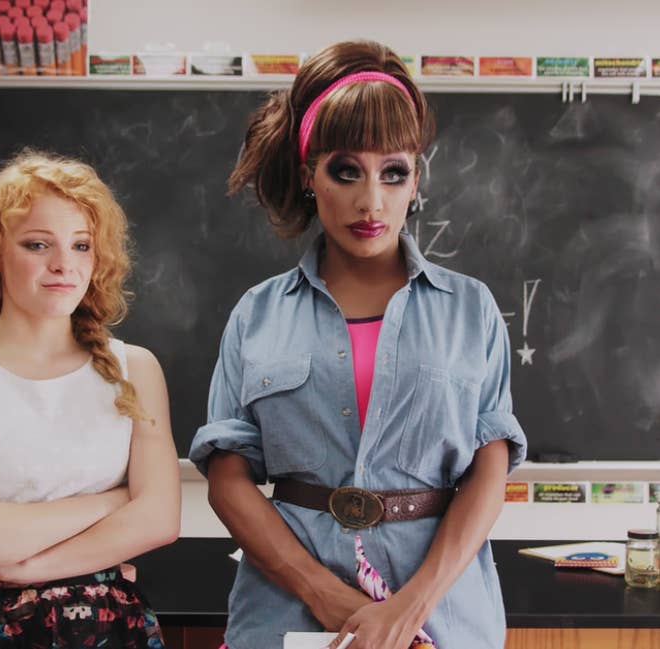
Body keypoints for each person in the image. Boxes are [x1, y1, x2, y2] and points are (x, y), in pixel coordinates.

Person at [189, 40, 527, 649]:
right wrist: (326, 595)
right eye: (346, 171)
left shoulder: (470, 309)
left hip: (443, 617)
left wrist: (408, 608)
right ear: (309, 176)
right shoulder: (256, 315)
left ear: (414, 180)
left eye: (393, 173)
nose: (371, 201)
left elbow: (489, 468)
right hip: (288, 615)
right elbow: (228, 480)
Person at [0, 150, 180, 648]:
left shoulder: (135, 369)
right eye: (38, 244)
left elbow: (160, 519)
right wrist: (115, 501)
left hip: (110, 625)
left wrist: (23, 566)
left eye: (81, 245)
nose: (63, 265)